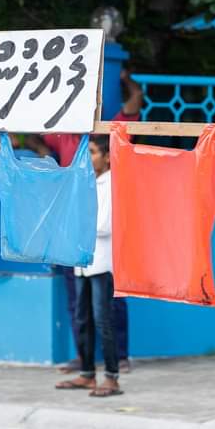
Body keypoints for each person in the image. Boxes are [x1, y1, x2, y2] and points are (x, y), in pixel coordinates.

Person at [43, 70, 139, 375]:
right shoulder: (64, 135)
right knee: (79, 305)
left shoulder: (110, 134)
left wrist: (125, 78)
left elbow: (135, 103)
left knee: (109, 306)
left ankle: (117, 360)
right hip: (75, 246)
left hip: (101, 251)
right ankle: (84, 360)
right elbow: (32, 131)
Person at [55, 135, 121, 397]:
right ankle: (87, 373)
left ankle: (112, 377)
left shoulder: (112, 184)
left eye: (92, 152)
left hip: (101, 262)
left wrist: (77, 224)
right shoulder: (85, 182)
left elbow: (104, 226)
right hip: (82, 261)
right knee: (82, 318)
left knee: (102, 319)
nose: (88, 158)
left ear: (107, 157)